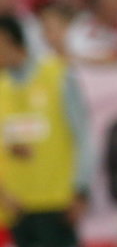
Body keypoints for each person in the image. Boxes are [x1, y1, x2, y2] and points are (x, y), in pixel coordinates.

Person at [0, 15, 93, 247]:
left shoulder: (57, 75)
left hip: (58, 202)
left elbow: (84, 135)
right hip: (17, 205)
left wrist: (81, 189)